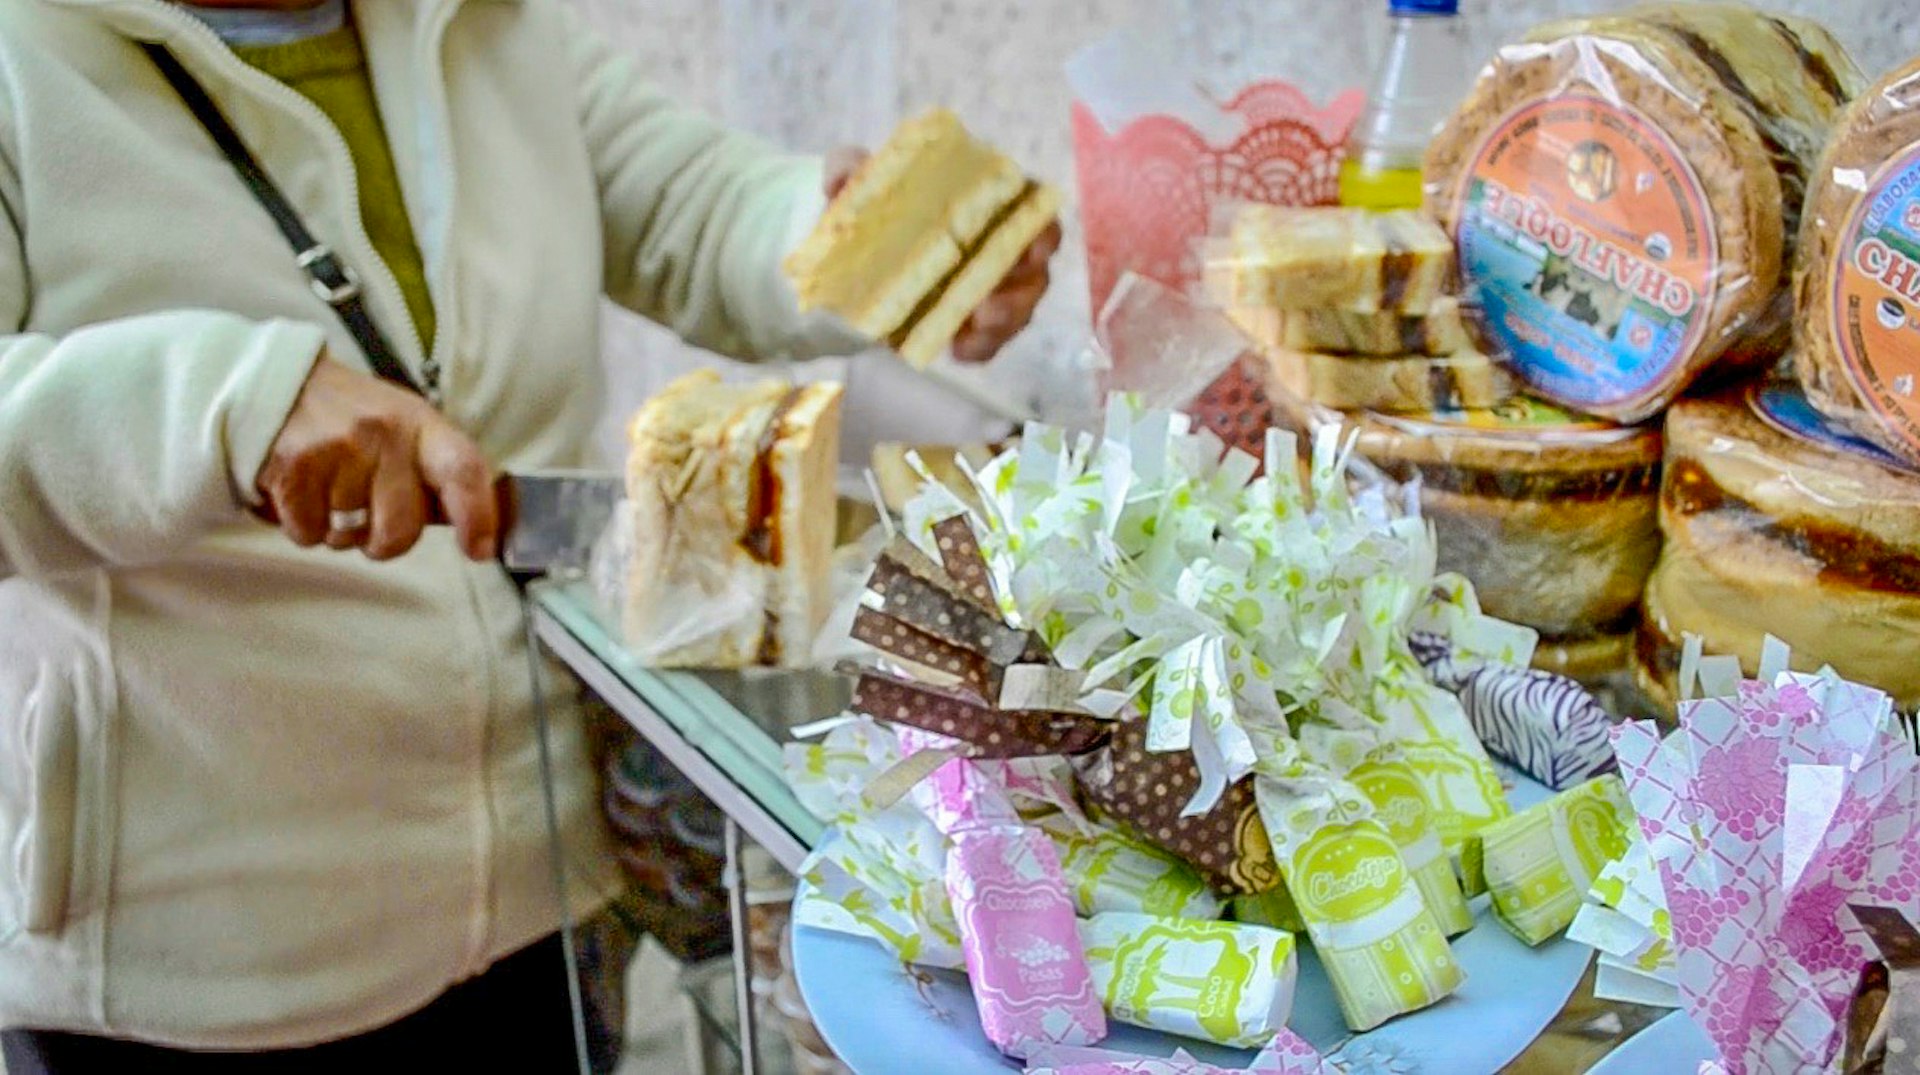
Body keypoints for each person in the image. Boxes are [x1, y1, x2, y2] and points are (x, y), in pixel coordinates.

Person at [0, 0, 1060, 1069]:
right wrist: (220, 411)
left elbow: (693, 208)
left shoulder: (473, 22)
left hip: (543, 896)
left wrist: (869, 245)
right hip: (197, 962)